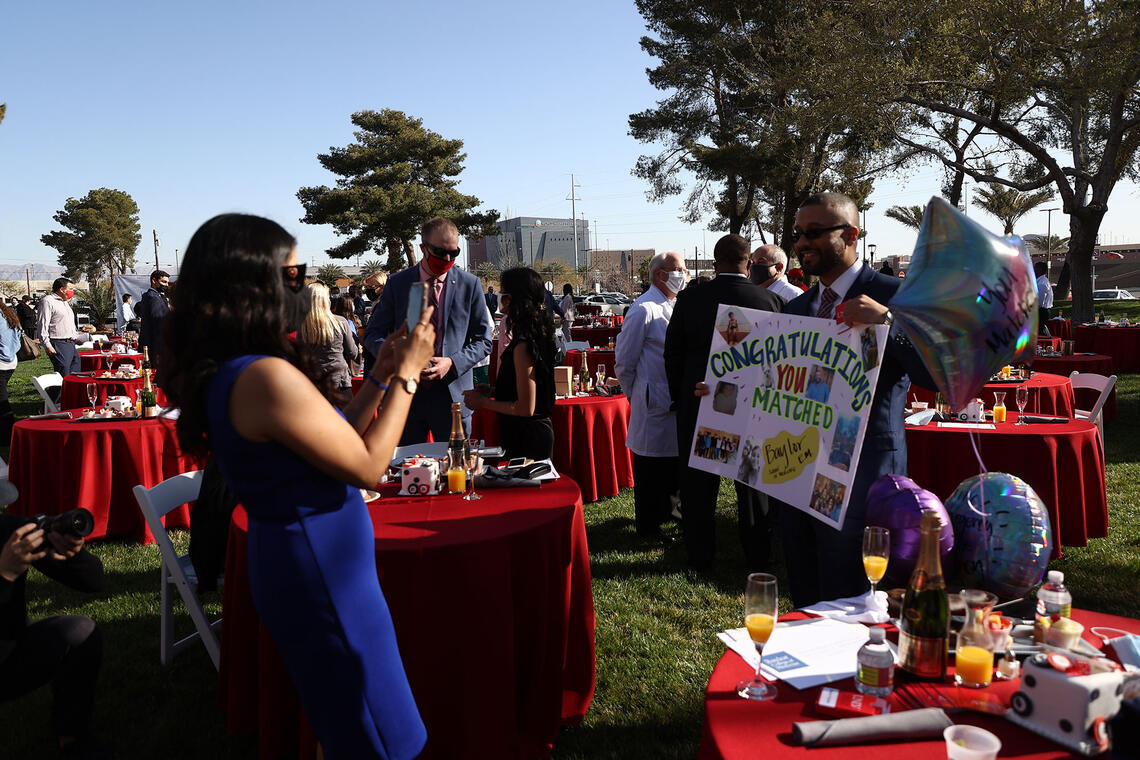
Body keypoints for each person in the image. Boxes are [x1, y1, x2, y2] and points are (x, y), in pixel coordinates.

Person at [160, 213, 433, 760]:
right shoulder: (262, 375)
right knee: (381, 735)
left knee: (349, 726)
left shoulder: (238, 369)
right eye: (291, 274)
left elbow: (332, 439)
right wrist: (408, 374)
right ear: (251, 287)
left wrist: (378, 375)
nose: (304, 286)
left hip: (310, 561)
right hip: (322, 570)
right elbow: (365, 465)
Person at [777, 192, 936, 607]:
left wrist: (887, 321)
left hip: (865, 474)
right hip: (797, 471)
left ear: (851, 235)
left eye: (813, 233)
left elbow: (933, 373)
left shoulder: (895, 294)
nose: (801, 243)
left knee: (854, 597)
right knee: (806, 590)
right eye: (798, 234)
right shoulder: (797, 306)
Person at [663, 234, 785, 572]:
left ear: (716, 262)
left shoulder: (690, 299)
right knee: (752, 482)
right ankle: (759, 554)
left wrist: (684, 393)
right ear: (749, 263)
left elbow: (672, 352)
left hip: (702, 401)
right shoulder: (770, 301)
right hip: (753, 406)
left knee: (699, 483)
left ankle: (700, 555)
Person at [363, 217, 494, 443]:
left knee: (456, 470)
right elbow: (373, 335)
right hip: (407, 394)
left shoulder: (469, 284)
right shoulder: (398, 283)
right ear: (423, 248)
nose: (447, 259)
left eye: (453, 253)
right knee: (406, 467)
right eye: (440, 252)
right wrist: (395, 355)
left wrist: (451, 362)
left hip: (452, 395)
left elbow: (484, 341)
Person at [0, 503, 108, 759]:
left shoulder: (7, 530)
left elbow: (94, 582)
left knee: (80, 632)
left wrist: (73, 554)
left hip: (7, 654)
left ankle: (72, 738)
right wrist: (4, 576)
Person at [615, 252, 687, 539]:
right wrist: (637, 394)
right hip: (652, 400)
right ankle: (648, 526)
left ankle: (672, 516)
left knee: (673, 466)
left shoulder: (675, 305)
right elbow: (624, 360)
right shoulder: (643, 309)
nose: (683, 274)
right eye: (678, 269)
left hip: (672, 401)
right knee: (651, 468)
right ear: (659, 274)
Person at [462, 267, 556, 460]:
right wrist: (494, 391)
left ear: (513, 298)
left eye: (503, 291)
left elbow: (526, 407)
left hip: (527, 438)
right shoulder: (535, 335)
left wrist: (484, 403)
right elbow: (527, 387)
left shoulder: (523, 345)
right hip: (526, 433)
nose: (499, 296)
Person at [299, 282, 359, 407]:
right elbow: (353, 352)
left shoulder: (302, 326)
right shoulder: (340, 322)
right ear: (326, 300)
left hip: (314, 381)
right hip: (340, 380)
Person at [38, 277, 82, 381]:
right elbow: (42, 325)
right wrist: (47, 345)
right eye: (70, 289)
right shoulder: (48, 301)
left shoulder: (65, 302)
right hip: (58, 343)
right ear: (62, 289)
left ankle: (71, 396)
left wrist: (77, 336)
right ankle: (56, 397)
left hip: (71, 343)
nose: (72, 292)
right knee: (63, 374)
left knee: (75, 373)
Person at [0, 301, 22, 442]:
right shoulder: (7, 313)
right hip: (11, 361)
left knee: (2, 401)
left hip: (2, 361)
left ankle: (8, 436)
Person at [136, 269, 170, 359]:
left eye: (167, 282)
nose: (166, 285)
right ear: (154, 281)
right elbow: (159, 321)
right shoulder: (153, 297)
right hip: (155, 346)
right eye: (164, 282)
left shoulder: (150, 296)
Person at [1035, 261, 1054, 335]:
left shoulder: (1042, 283)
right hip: (1041, 311)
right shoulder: (1040, 281)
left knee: (1040, 331)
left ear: (1040, 270)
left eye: (1035, 268)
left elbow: (1039, 302)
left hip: (1041, 311)